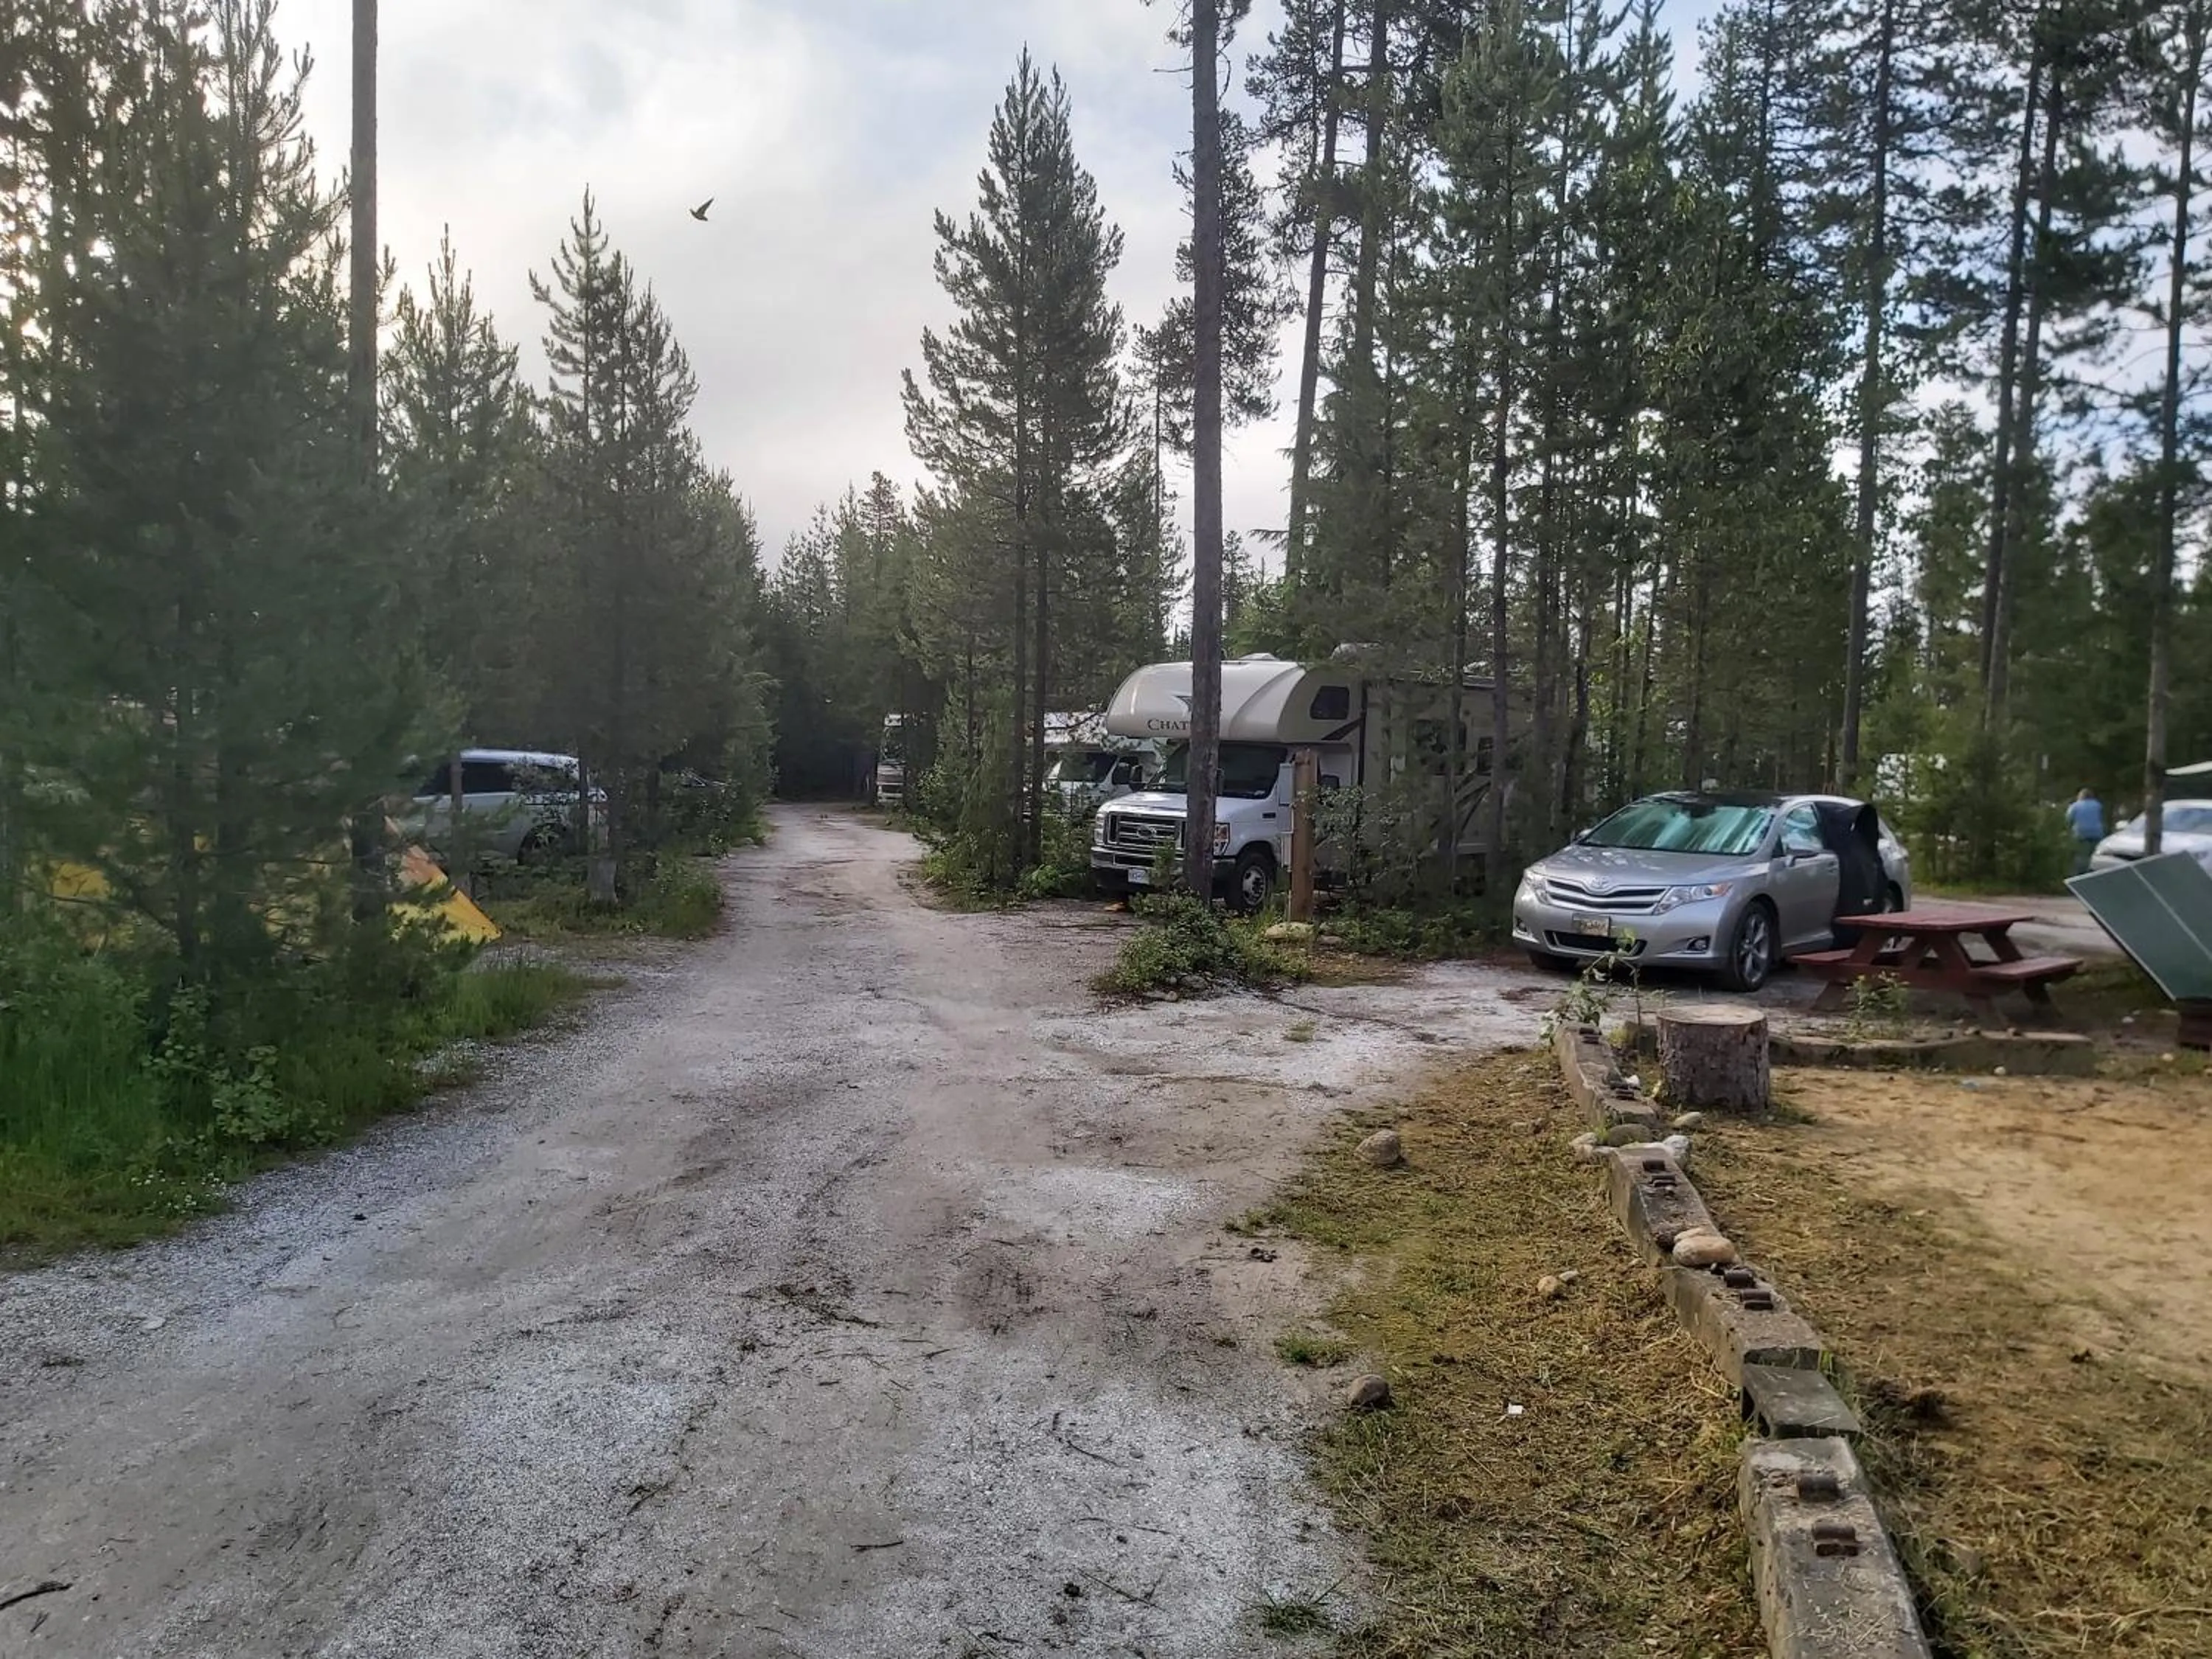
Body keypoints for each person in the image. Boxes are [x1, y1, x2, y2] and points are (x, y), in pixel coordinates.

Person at [2065, 787, 2106, 875]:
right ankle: (2094, 872)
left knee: (2082, 855)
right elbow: (2101, 817)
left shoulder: (2075, 806)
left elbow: (2068, 819)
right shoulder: (2097, 805)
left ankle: (2081, 874)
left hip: (2081, 833)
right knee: (2094, 855)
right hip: (2097, 833)